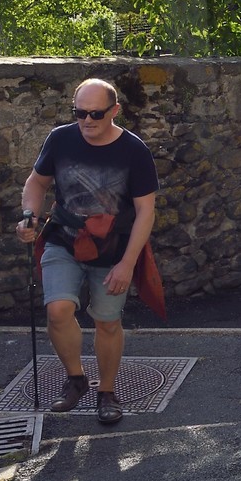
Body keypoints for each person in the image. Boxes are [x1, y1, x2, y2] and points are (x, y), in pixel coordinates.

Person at [15, 77, 158, 426]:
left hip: (113, 249)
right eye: (80, 113)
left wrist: (127, 264)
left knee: (107, 322)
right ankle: (75, 379)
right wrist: (29, 217)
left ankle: (106, 392)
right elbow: (36, 182)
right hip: (63, 238)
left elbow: (146, 212)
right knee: (58, 310)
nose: (87, 121)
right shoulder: (60, 139)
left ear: (115, 111)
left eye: (96, 113)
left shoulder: (134, 150)